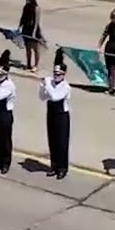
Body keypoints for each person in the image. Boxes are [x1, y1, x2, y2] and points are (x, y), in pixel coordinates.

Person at [39, 50, 72, 179]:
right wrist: (42, 87)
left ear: (63, 74)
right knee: (52, 140)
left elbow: (55, 97)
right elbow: (42, 97)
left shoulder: (66, 87)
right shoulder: (50, 83)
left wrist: (47, 84)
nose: (56, 76)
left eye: (59, 74)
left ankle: (62, 168)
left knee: (62, 142)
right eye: (55, 73)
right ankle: (54, 166)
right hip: (51, 112)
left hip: (61, 116)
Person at [19, 0, 43, 71]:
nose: (27, 1)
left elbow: (36, 21)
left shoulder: (37, 8)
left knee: (35, 49)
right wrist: (19, 27)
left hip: (34, 30)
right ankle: (28, 64)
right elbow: (22, 18)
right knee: (28, 48)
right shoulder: (26, 7)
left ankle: (36, 65)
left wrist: (34, 32)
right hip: (26, 28)